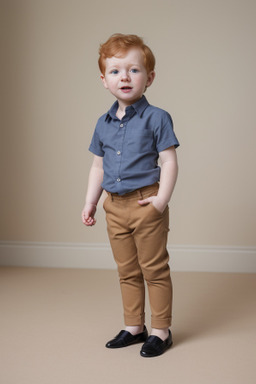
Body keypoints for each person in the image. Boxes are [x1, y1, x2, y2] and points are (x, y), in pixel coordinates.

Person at [81, 33, 179, 357]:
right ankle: (134, 326)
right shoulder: (102, 123)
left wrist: (161, 201)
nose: (124, 77)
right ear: (103, 80)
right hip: (115, 206)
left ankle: (161, 331)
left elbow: (169, 161)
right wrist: (91, 202)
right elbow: (98, 167)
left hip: (145, 201)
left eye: (134, 70)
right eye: (115, 71)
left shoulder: (157, 118)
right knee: (127, 270)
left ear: (149, 78)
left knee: (154, 268)